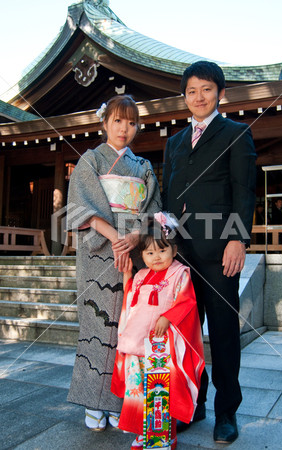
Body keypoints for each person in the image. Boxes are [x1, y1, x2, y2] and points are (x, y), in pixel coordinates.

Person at [162, 61, 256, 443]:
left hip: (220, 250)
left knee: (221, 331)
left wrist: (238, 239)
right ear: (184, 97)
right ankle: (193, 404)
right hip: (181, 251)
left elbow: (243, 189)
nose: (198, 97)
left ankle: (226, 411)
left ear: (219, 92)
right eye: (191, 91)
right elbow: (169, 197)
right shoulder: (174, 142)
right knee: (186, 332)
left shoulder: (236, 133)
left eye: (206, 89)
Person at [66, 95, 161, 431]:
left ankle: (122, 399)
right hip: (97, 252)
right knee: (96, 325)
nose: (125, 128)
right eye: (118, 121)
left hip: (134, 254)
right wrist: (114, 236)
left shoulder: (144, 167)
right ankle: (94, 402)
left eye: (132, 122)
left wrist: (134, 239)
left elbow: (152, 212)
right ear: (104, 123)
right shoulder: (90, 161)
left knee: (131, 327)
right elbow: (80, 205)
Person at [111, 213, 205, 449]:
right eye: (149, 253)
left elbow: (187, 301)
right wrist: (127, 275)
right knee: (137, 390)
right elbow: (130, 298)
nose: (156, 257)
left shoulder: (180, 273)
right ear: (142, 255)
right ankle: (141, 432)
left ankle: (165, 435)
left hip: (161, 345)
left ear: (174, 250)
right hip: (137, 342)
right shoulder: (142, 275)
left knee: (159, 389)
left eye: (162, 251)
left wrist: (167, 317)